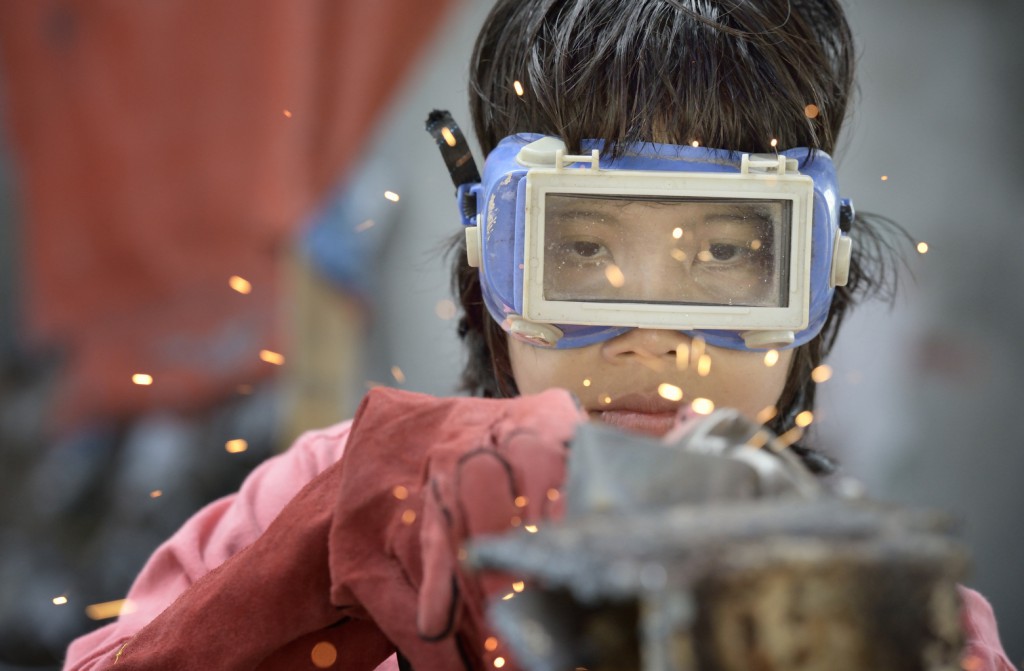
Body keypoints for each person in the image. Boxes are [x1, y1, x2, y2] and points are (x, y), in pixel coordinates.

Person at [63, 1, 1014, 669]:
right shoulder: (332, 495)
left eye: (726, 256)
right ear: (492, 266)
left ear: (818, 277)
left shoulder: (896, 616)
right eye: (585, 248)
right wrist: (323, 545)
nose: (649, 338)